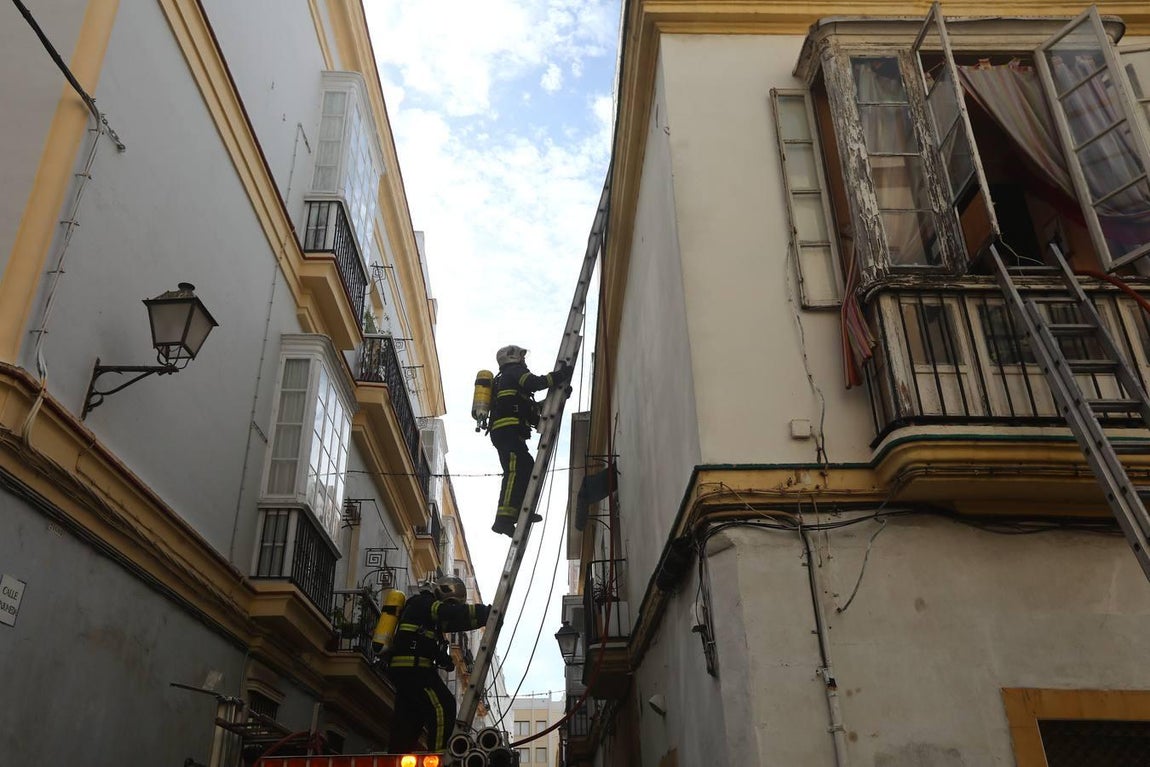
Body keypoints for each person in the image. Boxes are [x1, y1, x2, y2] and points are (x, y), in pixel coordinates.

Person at [387, 576, 491, 752]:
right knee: (443, 706)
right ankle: (439, 754)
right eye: (451, 602)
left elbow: (451, 625)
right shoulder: (426, 603)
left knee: (410, 717)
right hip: (415, 670)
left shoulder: (422, 612)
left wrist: (444, 659)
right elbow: (453, 614)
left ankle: (397, 755)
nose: (451, 606)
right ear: (444, 592)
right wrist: (487, 613)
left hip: (407, 670)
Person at [489, 345, 572, 537]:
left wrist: (560, 397)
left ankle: (518, 511)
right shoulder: (514, 372)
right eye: (521, 357)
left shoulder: (508, 381)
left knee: (525, 467)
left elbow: (534, 413)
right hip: (507, 431)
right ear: (512, 358)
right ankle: (503, 520)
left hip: (509, 431)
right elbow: (535, 382)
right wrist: (561, 375)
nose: (524, 360)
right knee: (514, 471)